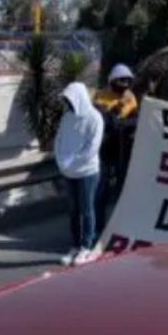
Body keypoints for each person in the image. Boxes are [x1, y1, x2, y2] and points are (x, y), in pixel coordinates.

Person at [56, 83, 105, 266]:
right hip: (68, 172)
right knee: (73, 210)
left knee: (86, 209)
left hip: (87, 172)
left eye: (69, 99)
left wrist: (73, 163)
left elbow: (92, 148)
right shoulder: (66, 118)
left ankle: (86, 247)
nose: (67, 103)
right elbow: (58, 140)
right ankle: (75, 246)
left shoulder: (95, 118)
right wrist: (62, 162)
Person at [92, 64, 139, 231]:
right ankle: (98, 228)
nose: (125, 84)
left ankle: (120, 228)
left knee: (122, 192)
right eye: (121, 80)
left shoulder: (131, 99)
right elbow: (103, 121)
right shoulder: (100, 97)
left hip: (123, 152)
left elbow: (135, 121)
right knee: (100, 192)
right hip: (103, 152)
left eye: (127, 80)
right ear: (112, 81)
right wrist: (115, 117)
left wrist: (122, 123)